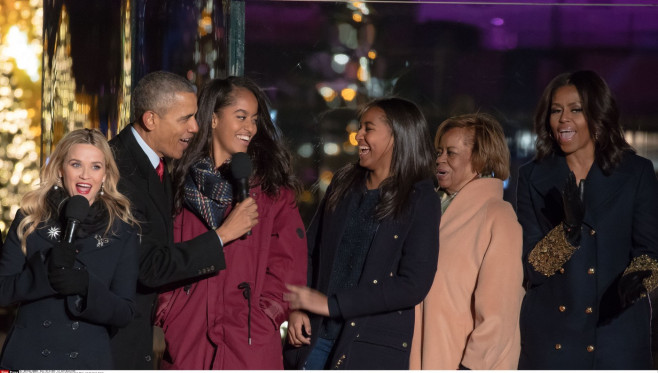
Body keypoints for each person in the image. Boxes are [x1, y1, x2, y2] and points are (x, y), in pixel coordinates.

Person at [155, 76, 307, 369]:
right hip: (188, 339)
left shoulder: (272, 191)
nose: (249, 127)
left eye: (254, 119)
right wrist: (170, 312)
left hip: (250, 343)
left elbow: (289, 265)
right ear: (212, 119)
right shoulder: (177, 185)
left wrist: (265, 315)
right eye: (241, 117)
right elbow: (161, 255)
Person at [109, 71, 258, 369]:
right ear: (151, 120)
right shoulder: (117, 170)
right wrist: (222, 235)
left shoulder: (161, 166)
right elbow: (148, 266)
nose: (194, 127)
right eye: (185, 118)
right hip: (109, 342)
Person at [283, 97, 440, 370]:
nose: (358, 136)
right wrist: (297, 308)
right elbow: (309, 250)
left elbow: (413, 285)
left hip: (371, 348)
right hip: (315, 338)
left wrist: (334, 305)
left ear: (397, 135)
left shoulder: (421, 198)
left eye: (369, 128)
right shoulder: (344, 182)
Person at [516, 70, 658, 369]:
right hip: (554, 337)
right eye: (556, 110)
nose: (563, 119)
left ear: (598, 115)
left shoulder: (637, 172)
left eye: (576, 110)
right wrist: (568, 232)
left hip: (616, 334)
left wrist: (638, 280)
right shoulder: (531, 177)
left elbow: (650, 252)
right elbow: (532, 269)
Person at [0, 129, 138, 369]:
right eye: (76, 164)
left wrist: (87, 288)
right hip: (29, 358)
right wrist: (44, 271)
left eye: (96, 166)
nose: (86, 175)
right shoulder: (30, 219)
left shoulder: (121, 232)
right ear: (60, 169)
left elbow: (125, 312)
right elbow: (2, 291)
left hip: (87, 360)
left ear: (105, 174)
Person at [409, 113, 524, 369]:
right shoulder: (428, 207)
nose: (439, 159)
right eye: (439, 151)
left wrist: (471, 367)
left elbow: (498, 315)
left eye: (450, 153)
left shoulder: (498, 216)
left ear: (481, 159)